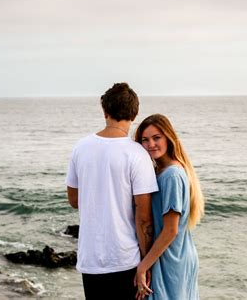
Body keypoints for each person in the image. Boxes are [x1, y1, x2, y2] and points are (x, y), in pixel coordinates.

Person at [65, 83, 159, 300]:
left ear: (104, 111)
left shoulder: (81, 147)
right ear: (134, 114)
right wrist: (146, 263)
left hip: (90, 261)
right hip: (124, 259)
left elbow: (74, 200)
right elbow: (144, 219)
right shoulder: (137, 154)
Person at [134, 114, 204, 300]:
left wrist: (143, 266)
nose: (151, 144)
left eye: (157, 138)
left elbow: (170, 230)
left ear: (168, 138)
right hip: (172, 253)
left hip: (172, 258)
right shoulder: (161, 171)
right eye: (145, 140)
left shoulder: (172, 175)